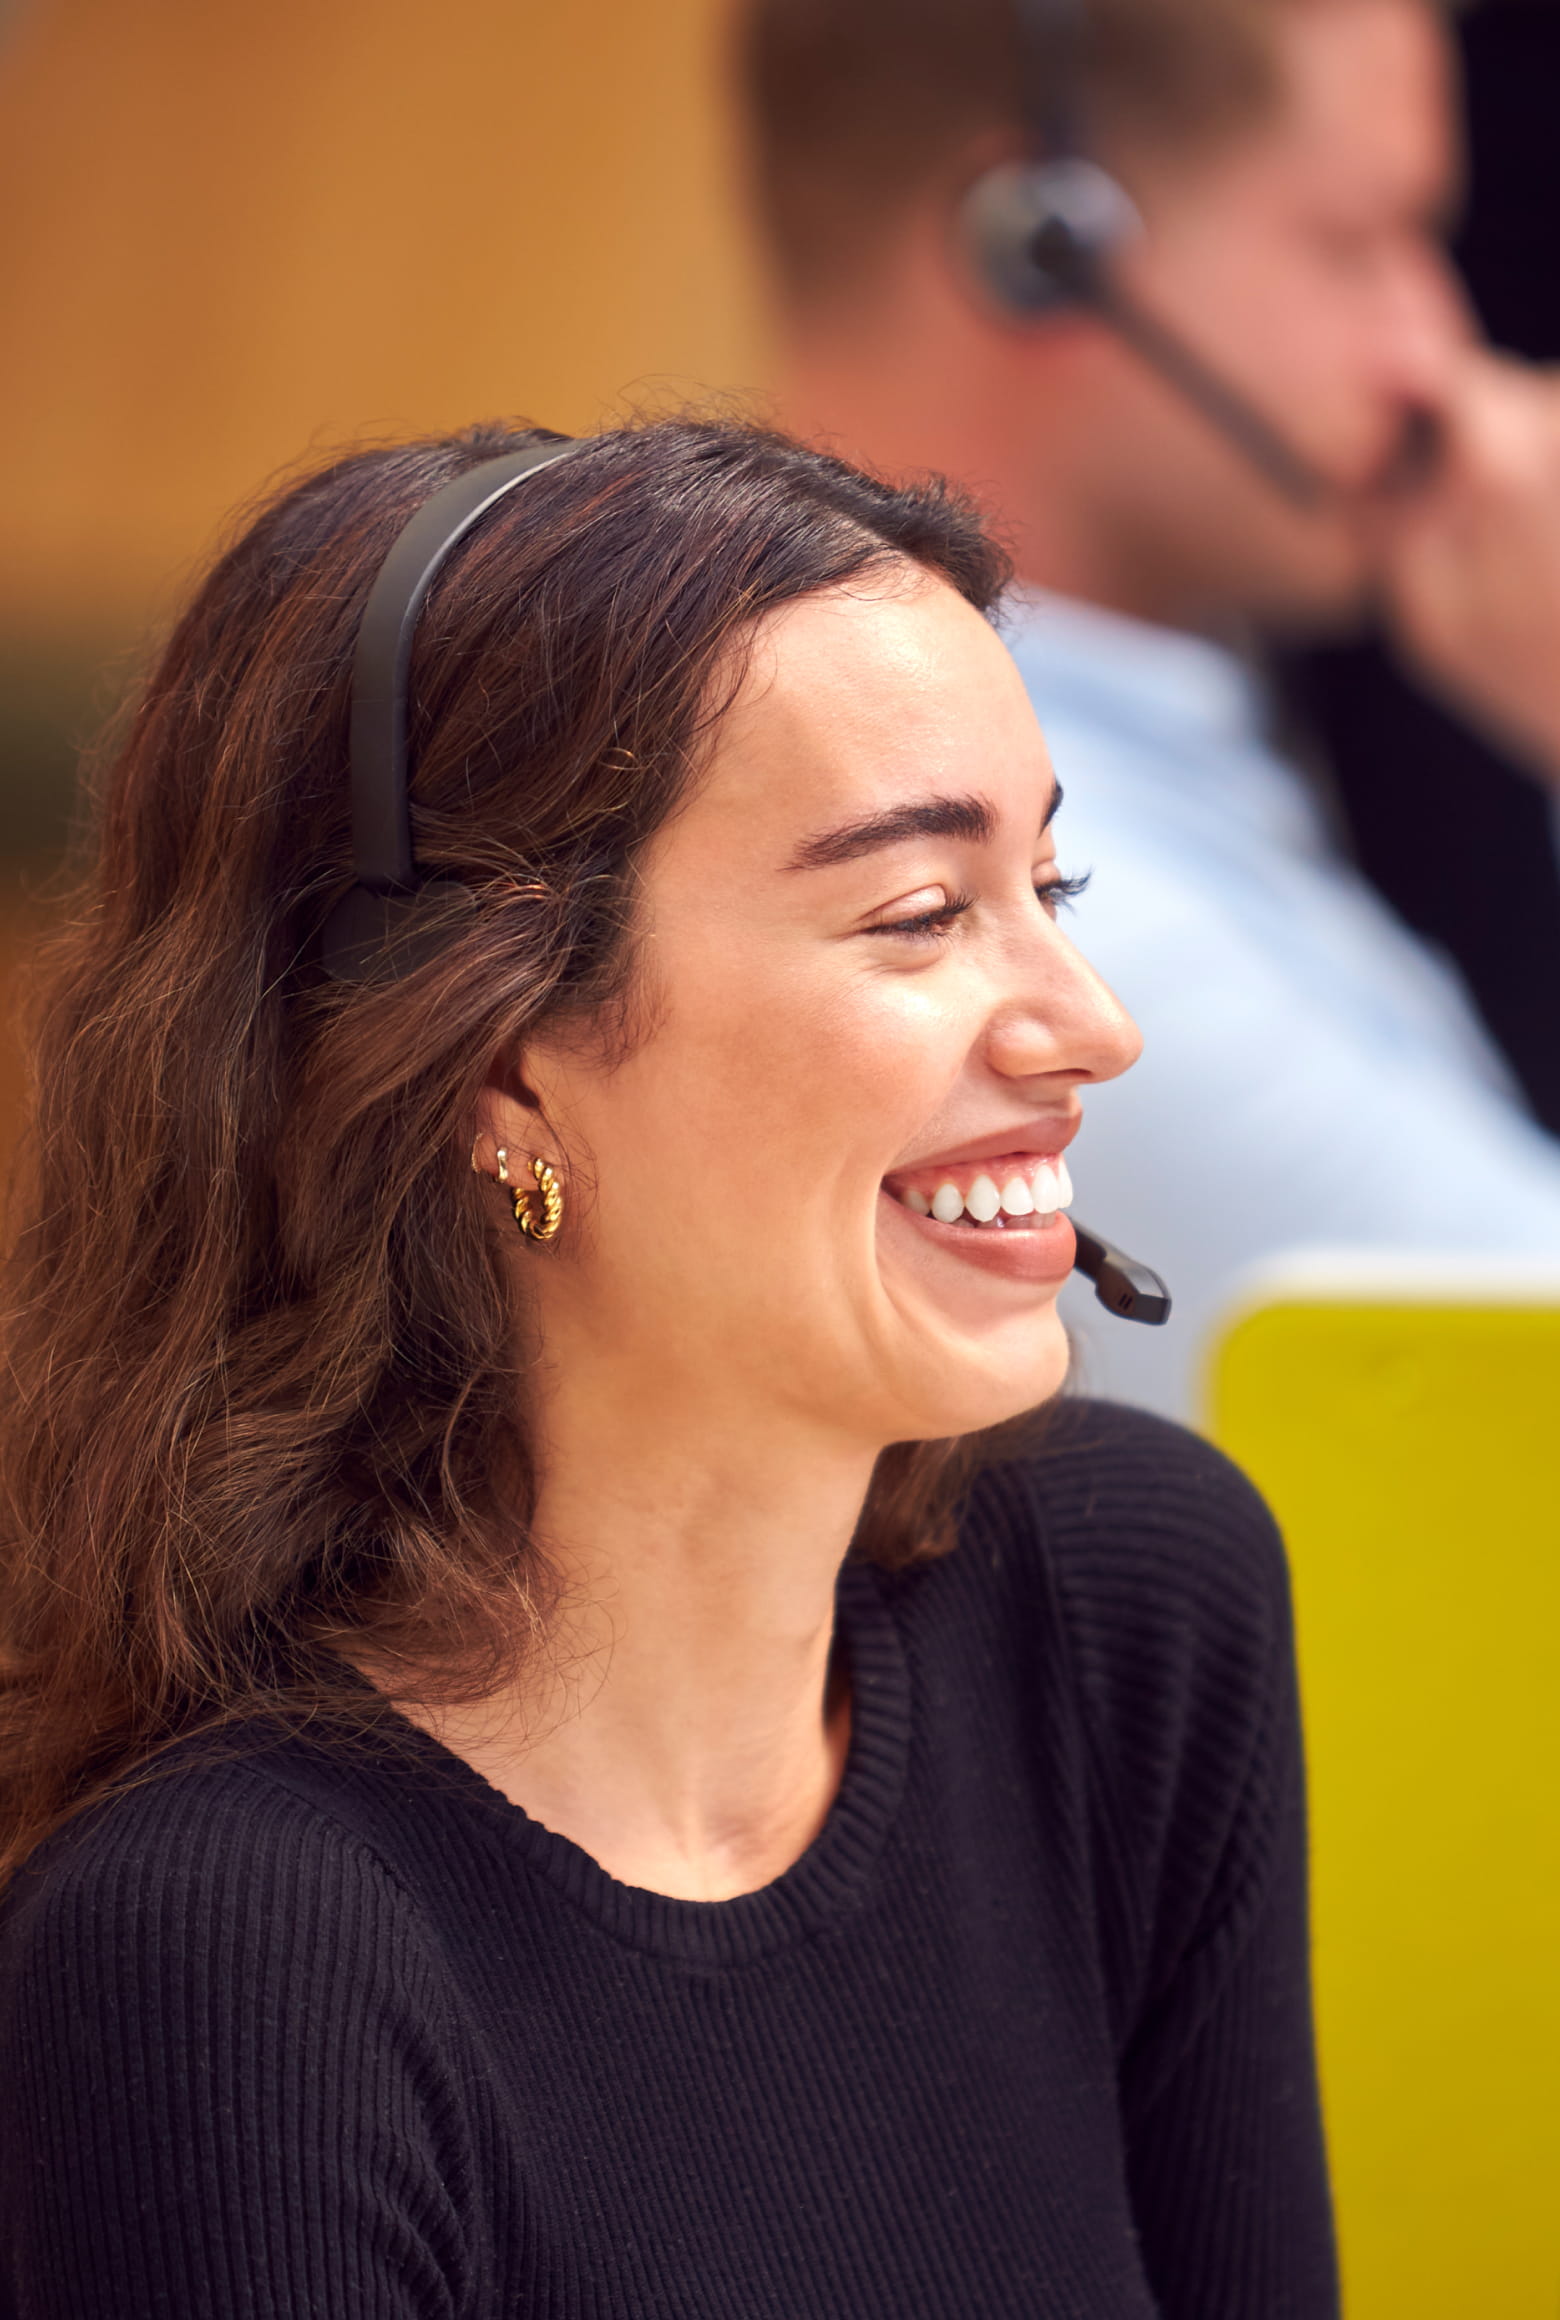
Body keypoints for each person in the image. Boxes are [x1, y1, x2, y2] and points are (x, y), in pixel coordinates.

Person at [0, 417, 1336, 2314]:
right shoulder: (228, 1961)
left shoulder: (1127, 1609)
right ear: (504, 1067)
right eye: (921, 914)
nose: (1090, 1027)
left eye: (1057, 890)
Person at [741, 0, 1560, 1417]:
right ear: (1041, 246)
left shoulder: (1137, 753)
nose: (1434, 352)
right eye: (1359, 243)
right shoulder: (1014, 913)